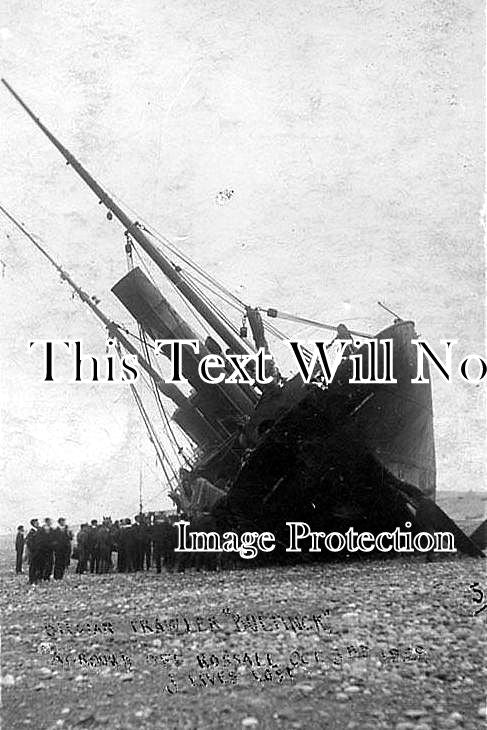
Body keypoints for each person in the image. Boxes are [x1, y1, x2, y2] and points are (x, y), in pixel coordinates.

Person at [26, 518, 42, 584]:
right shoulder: (31, 533)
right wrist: (35, 550)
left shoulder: (39, 531)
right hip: (34, 553)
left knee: (39, 566)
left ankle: (38, 579)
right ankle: (32, 580)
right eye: (36, 523)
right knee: (33, 566)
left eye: (38, 522)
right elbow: (29, 543)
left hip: (40, 552)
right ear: (33, 524)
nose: (38, 523)